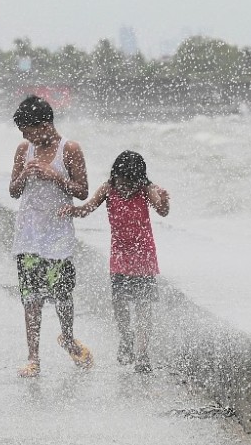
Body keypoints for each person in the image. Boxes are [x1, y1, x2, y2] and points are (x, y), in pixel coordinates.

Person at [62, 150, 170, 373]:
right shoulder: (107, 188)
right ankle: (126, 337)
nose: (125, 186)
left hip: (143, 257)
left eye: (130, 182)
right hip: (120, 257)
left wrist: (165, 200)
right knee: (119, 303)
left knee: (143, 307)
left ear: (139, 179)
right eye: (122, 181)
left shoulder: (146, 189)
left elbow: (162, 211)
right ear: (115, 176)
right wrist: (72, 210)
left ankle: (142, 355)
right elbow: (87, 209)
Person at [10, 95, 93, 378]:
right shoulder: (24, 149)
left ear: (45, 124)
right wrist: (24, 175)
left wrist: (53, 175)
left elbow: (82, 191)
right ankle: (33, 358)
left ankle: (68, 338)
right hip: (28, 235)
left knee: (62, 295)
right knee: (30, 297)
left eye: (28, 130)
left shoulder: (69, 149)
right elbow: (13, 190)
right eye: (23, 133)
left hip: (58, 235)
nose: (25, 136)